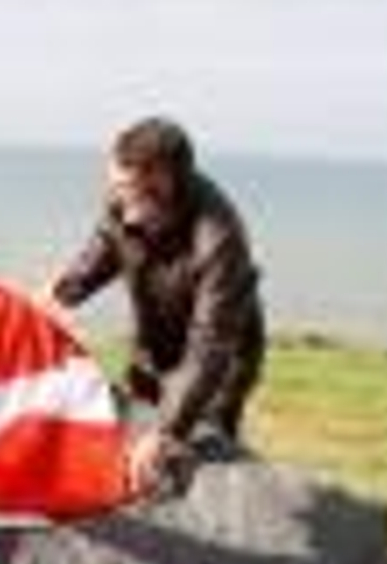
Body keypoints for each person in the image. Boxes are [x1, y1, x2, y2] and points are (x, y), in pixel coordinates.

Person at [44, 117, 266, 452]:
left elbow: (209, 347)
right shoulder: (124, 198)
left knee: (193, 452)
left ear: (165, 183)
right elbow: (106, 245)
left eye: (128, 191)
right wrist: (60, 293)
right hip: (152, 347)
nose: (119, 204)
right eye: (115, 187)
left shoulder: (220, 241)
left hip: (216, 368)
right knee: (130, 439)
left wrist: (168, 431)